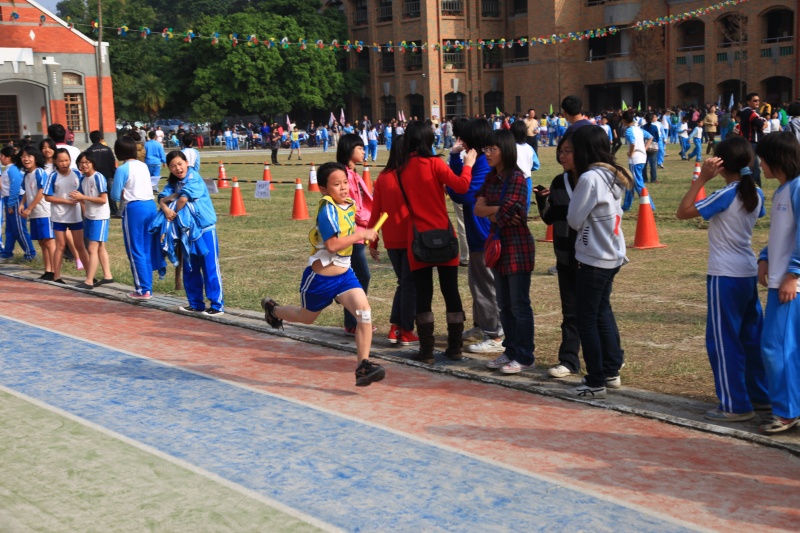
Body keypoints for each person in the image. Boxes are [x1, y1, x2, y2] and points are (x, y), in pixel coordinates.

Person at [260, 162, 385, 386]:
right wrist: (361, 234)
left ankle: (363, 366)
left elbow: (355, 224)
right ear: (324, 189)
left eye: (345, 182)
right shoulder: (327, 209)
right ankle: (274, 310)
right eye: (337, 184)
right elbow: (332, 245)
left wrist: (369, 226)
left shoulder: (349, 204)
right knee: (306, 318)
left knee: (364, 314)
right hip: (321, 279)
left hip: (345, 276)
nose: (343, 187)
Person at [676, 135, 769, 422]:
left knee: (724, 341)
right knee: (750, 337)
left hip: (724, 275)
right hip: (746, 272)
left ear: (720, 164)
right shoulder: (756, 192)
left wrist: (701, 179)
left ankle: (734, 405)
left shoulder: (726, 194)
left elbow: (682, 212)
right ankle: (760, 396)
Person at [396, 121, 477, 364]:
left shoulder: (402, 169)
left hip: (418, 237)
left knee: (423, 294)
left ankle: (427, 350)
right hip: (444, 234)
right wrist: (467, 165)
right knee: (450, 291)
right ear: (429, 140)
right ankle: (455, 346)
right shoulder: (435, 164)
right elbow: (462, 186)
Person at [567, 126, 633, 398]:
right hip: (610, 252)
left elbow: (574, 219)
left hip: (595, 256)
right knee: (601, 312)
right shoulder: (612, 173)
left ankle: (595, 381)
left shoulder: (590, 177)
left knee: (587, 319)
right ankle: (610, 370)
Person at [474, 130, 536, 374]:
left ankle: (524, 355)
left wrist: (491, 210)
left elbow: (510, 214)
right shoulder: (492, 177)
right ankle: (510, 350)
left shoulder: (517, 178)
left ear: (505, 151)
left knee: (519, 304)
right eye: (486, 149)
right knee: (504, 304)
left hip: (517, 246)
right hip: (498, 246)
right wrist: (495, 210)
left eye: (493, 149)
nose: (487, 154)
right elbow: (477, 208)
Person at [755, 132, 800, 434]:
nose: (760, 164)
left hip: (790, 285)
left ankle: (786, 412)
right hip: (780, 280)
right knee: (785, 346)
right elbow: (782, 233)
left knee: (775, 346)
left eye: (762, 159)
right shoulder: (783, 190)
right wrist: (764, 256)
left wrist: (793, 275)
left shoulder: (797, 188)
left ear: (777, 159)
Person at [448, 118, 505, 355]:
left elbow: (462, 194)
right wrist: (455, 160)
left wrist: (464, 166)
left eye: (464, 138)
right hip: (477, 233)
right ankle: (483, 325)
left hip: (484, 234)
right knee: (477, 284)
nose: (461, 142)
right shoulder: (478, 161)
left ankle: (495, 334)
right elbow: (454, 186)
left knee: (486, 286)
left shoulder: (482, 163)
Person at [535, 133, 581, 378]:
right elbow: (549, 218)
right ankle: (569, 360)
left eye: (568, 151)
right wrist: (542, 200)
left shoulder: (591, 180)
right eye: (560, 151)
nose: (562, 156)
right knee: (569, 311)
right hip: (564, 256)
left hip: (590, 258)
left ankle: (612, 358)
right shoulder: (558, 182)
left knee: (597, 311)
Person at [158, 151, 225, 315]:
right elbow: (162, 198)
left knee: (209, 266)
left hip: (204, 229)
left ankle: (217, 305)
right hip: (186, 232)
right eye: (173, 166)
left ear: (187, 163)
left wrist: (171, 210)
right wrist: (165, 208)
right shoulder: (173, 182)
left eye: (180, 164)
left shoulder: (194, 178)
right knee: (190, 267)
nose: (177, 168)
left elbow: (182, 199)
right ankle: (195, 303)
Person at [368, 135, 418, 345]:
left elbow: (375, 211)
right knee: (410, 285)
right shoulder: (411, 174)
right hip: (411, 237)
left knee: (404, 283)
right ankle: (405, 329)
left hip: (391, 239)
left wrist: (373, 241)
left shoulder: (383, 176)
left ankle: (396, 327)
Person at [110, 136, 161, 300]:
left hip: (134, 208)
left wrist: (122, 194)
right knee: (146, 248)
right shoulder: (143, 165)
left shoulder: (123, 169)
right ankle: (147, 287)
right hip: (150, 206)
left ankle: (142, 289)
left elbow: (114, 195)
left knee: (135, 250)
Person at [337, 134, 374, 334]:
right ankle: (355, 321)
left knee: (356, 277)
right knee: (361, 276)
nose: (363, 151)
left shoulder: (353, 173)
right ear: (349, 149)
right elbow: (350, 205)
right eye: (359, 147)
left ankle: (353, 321)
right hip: (351, 233)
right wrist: (368, 222)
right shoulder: (343, 175)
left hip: (358, 232)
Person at [44, 148, 89, 284]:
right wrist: (65, 201)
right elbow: (47, 197)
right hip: (59, 216)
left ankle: (90, 275)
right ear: (55, 162)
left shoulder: (77, 174)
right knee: (61, 246)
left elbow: (82, 194)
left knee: (80, 245)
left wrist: (84, 208)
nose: (64, 163)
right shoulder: (53, 176)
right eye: (61, 161)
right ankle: (57, 276)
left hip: (75, 216)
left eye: (66, 160)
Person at [70, 152, 113, 288]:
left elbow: (103, 199)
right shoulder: (83, 179)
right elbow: (81, 197)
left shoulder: (98, 177)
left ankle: (89, 280)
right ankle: (107, 276)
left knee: (92, 248)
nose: (84, 165)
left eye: (87, 162)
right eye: (81, 163)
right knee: (100, 247)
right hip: (90, 216)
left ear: (93, 163)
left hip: (100, 216)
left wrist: (83, 197)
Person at [18, 145, 56, 280]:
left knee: (49, 242)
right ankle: (47, 270)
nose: (26, 159)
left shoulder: (39, 172)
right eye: (23, 156)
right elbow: (27, 192)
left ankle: (55, 271)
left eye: (29, 156)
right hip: (35, 214)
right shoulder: (27, 175)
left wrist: (29, 208)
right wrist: (22, 204)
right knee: (42, 243)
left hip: (45, 212)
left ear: (35, 158)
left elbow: (42, 191)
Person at [0, 146, 36, 262]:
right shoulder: (9, 169)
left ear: (8, 157)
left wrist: (11, 204)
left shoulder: (13, 169)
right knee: (10, 229)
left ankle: (31, 253)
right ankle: (7, 253)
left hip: (15, 200)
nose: (0, 158)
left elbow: (15, 187)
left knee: (19, 229)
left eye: (2, 156)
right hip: (9, 200)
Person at [621, 110, 653, 212]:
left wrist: (631, 153)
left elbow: (633, 143)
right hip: (642, 158)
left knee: (638, 183)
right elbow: (650, 137)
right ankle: (626, 206)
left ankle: (649, 205)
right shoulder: (638, 129)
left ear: (624, 120)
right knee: (630, 182)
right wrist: (644, 149)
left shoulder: (629, 131)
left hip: (635, 160)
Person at [86, 131, 119, 217]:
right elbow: (112, 162)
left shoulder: (89, 151)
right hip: (108, 175)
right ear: (101, 138)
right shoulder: (107, 149)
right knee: (110, 194)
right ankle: (114, 210)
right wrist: (113, 173)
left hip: (96, 176)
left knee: (98, 194)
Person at [739, 93, 767, 186]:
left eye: (758, 100)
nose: (757, 102)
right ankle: (755, 188)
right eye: (755, 100)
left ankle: (747, 186)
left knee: (748, 166)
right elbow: (761, 125)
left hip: (747, 141)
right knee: (754, 167)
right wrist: (764, 124)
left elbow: (760, 123)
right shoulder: (750, 112)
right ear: (748, 102)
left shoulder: (745, 112)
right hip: (751, 141)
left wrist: (761, 123)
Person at [642, 113, 660, 184]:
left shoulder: (643, 127)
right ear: (652, 119)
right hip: (653, 146)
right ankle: (653, 179)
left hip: (645, 146)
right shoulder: (654, 127)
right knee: (653, 164)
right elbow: (657, 137)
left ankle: (644, 179)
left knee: (644, 164)